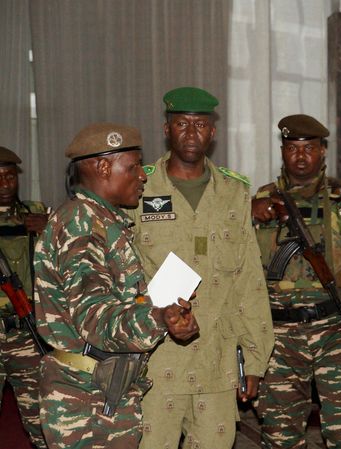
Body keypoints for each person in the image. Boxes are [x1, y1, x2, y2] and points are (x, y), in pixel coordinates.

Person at [34, 122, 199, 449]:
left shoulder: (103, 221)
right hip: (84, 404)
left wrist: (164, 313)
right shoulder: (80, 225)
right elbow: (95, 319)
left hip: (105, 390)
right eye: (134, 165)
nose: (142, 175)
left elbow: (118, 303)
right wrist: (157, 317)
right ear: (103, 166)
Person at [132, 87, 274, 449]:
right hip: (155, 361)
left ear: (213, 132)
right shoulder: (138, 189)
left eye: (200, 125)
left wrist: (254, 359)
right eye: (181, 123)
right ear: (166, 129)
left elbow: (249, 281)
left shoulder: (234, 191)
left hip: (217, 359)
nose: (191, 133)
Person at [252, 114, 341, 448]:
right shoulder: (261, 200)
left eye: (309, 149)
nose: (300, 156)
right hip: (279, 335)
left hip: (333, 328)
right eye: (292, 148)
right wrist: (247, 212)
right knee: (279, 434)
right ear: (283, 152)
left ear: (323, 152)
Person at [0, 146, 48, 449]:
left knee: (39, 420)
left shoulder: (37, 213)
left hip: (26, 333)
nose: (4, 184)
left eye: (9, 176)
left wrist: (50, 230)